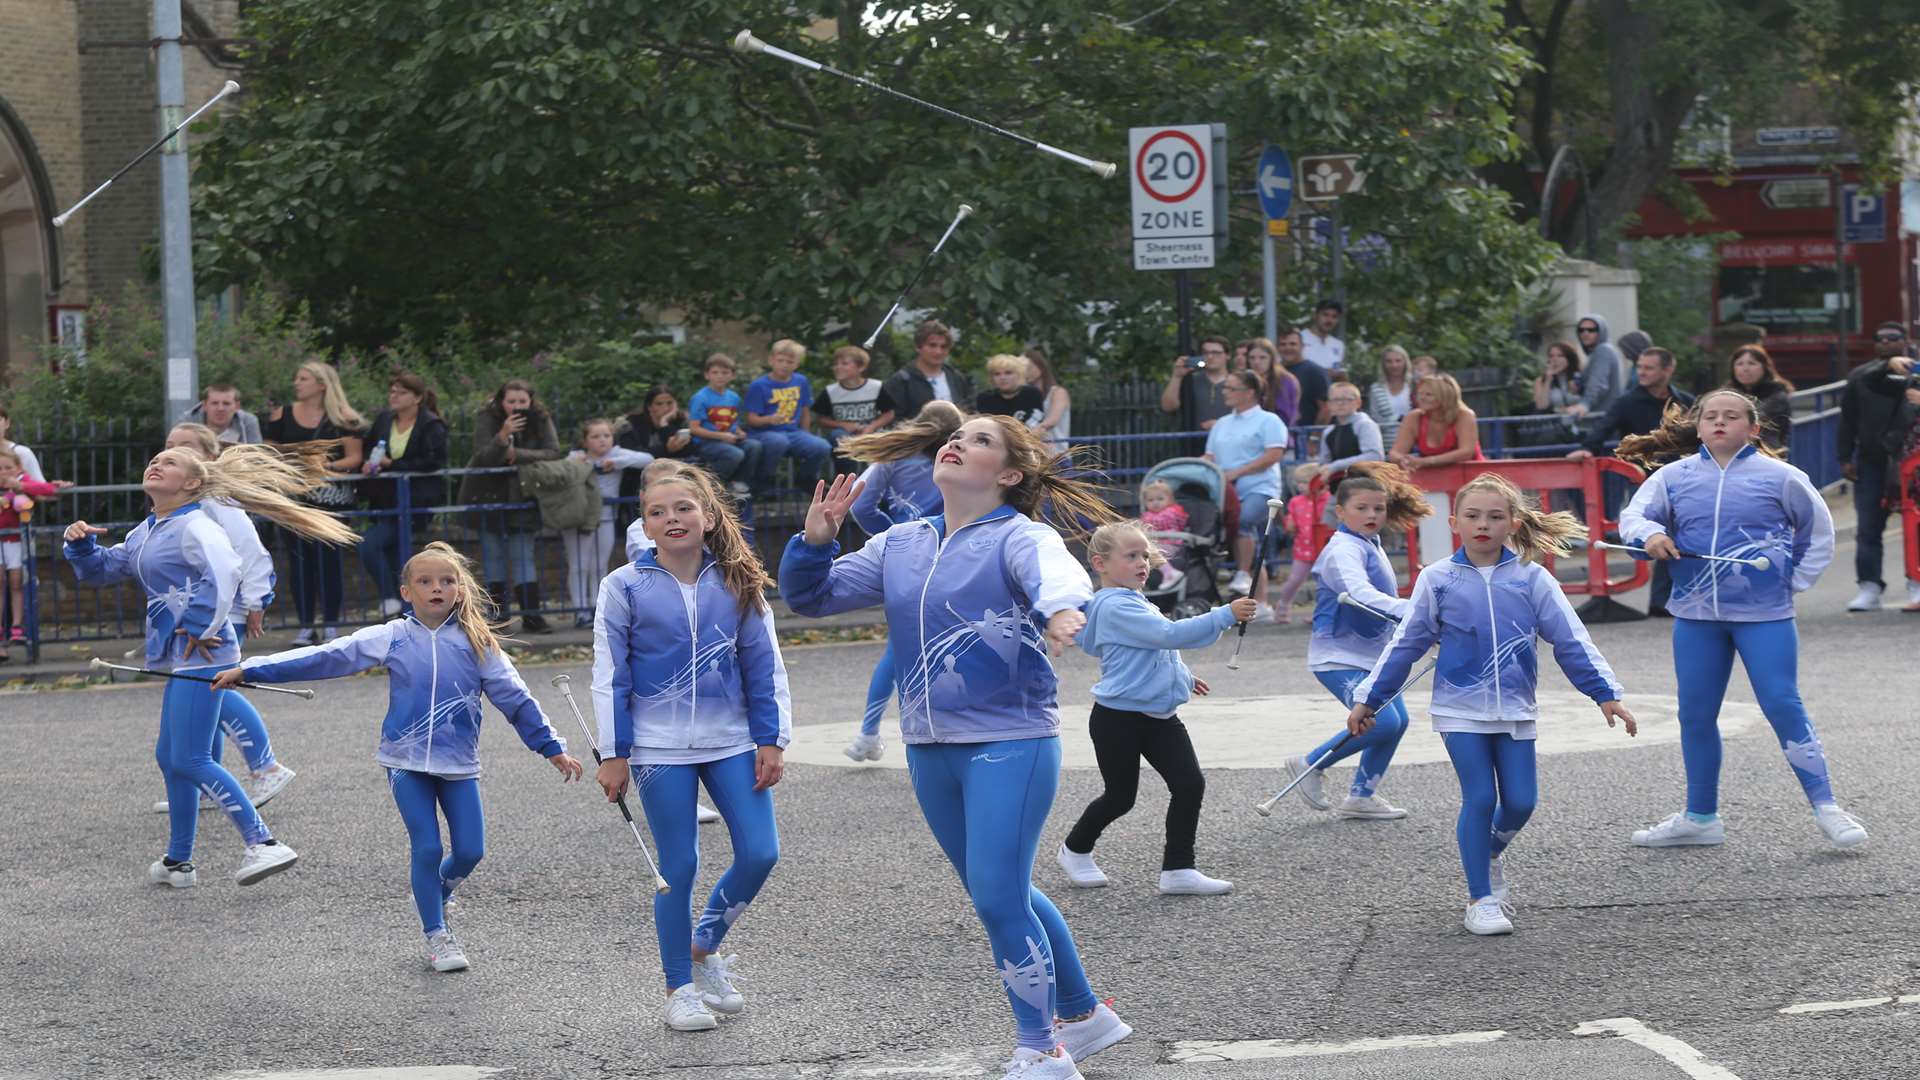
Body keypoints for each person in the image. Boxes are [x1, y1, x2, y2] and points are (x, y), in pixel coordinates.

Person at [780, 417, 1131, 1079]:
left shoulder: (1021, 535)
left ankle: (1042, 1050)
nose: (957, 442)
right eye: (956, 436)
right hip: (928, 744)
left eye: (978, 441)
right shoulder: (901, 544)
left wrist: (1060, 609)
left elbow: (1055, 573)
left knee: (998, 895)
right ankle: (1086, 1017)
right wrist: (814, 541)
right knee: (1001, 890)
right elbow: (812, 598)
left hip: (1010, 739)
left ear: (1008, 475)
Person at [216, 542, 584, 971]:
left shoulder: (478, 644)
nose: (437, 588)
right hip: (404, 760)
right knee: (426, 848)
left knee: (470, 851)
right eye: (425, 581)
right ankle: (437, 934)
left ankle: (433, 893)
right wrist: (252, 668)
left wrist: (551, 747)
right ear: (407, 592)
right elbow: (328, 655)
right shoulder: (392, 636)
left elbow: (515, 700)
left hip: (458, 763)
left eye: (447, 581)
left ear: (460, 590)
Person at [63, 442, 359, 889]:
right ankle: (179, 861)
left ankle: (263, 843)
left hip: (204, 654)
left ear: (194, 483)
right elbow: (107, 569)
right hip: (178, 657)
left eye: (169, 463)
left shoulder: (197, 525)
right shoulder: (148, 529)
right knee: (170, 757)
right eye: (154, 458)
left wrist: (200, 626)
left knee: (190, 757)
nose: (156, 463)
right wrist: (82, 546)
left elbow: (225, 571)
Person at [1350, 472, 1635, 936]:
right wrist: (1370, 698)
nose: (1483, 524)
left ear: (1514, 522)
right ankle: (1480, 898)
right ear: (1454, 521)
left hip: (1517, 708)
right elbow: (1406, 643)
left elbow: (1570, 639)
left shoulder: (1532, 578)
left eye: (1495, 516)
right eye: (1473, 515)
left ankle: (1488, 854)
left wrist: (1605, 695)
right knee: (1480, 797)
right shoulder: (1437, 579)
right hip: (1460, 708)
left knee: (1521, 803)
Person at [1614, 389, 1865, 848]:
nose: (1720, 423)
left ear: (1753, 428)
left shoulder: (1782, 477)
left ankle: (1827, 806)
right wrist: (1649, 534)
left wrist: (1792, 583)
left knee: (1782, 703)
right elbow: (1634, 517)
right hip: (1695, 614)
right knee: (1694, 714)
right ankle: (1701, 817)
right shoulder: (1672, 477)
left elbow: (1818, 531)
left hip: (1764, 616)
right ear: (1699, 426)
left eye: (1732, 416)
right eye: (1711, 416)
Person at [592, 466, 791, 1032]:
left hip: (730, 739)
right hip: (657, 748)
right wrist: (614, 751)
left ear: (707, 516)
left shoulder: (737, 579)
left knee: (761, 852)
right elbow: (611, 674)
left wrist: (771, 738)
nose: (671, 519)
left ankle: (704, 945)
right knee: (678, 865)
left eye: (683, 508)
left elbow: (764, 664)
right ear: (646, 525)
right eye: (658, 512)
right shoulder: (624, 585)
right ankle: (678, 987)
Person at [1056, 521, 1257, 896]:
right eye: (1131, 556)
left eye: (1145, 555)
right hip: (1118, 719)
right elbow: (1167, 635)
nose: (1142, 563)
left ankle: (1178, 869)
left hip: (1159, 717)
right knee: (1120, 797)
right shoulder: (1116, 605)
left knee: (1189, 784)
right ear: (1100, 563)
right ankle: (1074, 850)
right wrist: (1225, 614)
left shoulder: (1134, 600)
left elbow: (1155, 649)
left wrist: (1181, 676)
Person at [147, 423, 297, 815]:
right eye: (167, 447)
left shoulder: (218, 503)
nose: (170, 455)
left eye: (184, 448)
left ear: (207, 459)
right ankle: (201, 785)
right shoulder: (183, 504)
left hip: (217, 613)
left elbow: (251, 553)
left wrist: (256, 601)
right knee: (202, 706)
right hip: (191, 613)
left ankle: (266, 766)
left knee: (211, 688)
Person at [1280, 463, 1431, 808]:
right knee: (1381, 722)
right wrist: (1410, 610)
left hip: (1372, 657)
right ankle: (1310, 764)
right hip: (1338, 658)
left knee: (1397, 721)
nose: (1372, 514)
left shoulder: (1368, 543)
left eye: (1378, 508)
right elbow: (1359, 593)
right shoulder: (1343, 549)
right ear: (1340, 511)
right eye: (1361, 508)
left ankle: (1361, 796)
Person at [839, 401, 965, 762]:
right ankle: (949, 724)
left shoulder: (892, 458)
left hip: (910, 562)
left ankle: (869, 732)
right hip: (956, 554)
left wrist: (894, 537)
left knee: (899, 649)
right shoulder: (961, 458)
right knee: (956, 642)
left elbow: (860, 505)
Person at [1570, 347, 1696, 617]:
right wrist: (1588, 449)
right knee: (1659, 532)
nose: (1642, 372)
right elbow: (1604, 427)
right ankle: (1661, 600)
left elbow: (1700, 435)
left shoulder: (1684, 401)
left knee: (1683, 533)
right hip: (1645, 479)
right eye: (1640, 367)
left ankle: (1670, 598)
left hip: (1685, 478)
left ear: (1667, 370)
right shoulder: (1627, 402)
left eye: (1649, 368)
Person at [263, 360, 366, 644]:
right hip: (294, 498)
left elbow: (354, 458)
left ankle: (332, 623)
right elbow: (269, 452)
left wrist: (326, 471)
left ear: (322, 384)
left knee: (329, 561)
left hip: (332, 499)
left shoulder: (343, 417)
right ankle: (306, 625)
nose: (297, 383)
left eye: (303, 378)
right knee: (299, 563)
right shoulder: (281, 415)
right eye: (297, 378)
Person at [459, 379, 563, 634]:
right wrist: (503, 436)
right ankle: (497, 615)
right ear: (501, 401)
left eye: (522, 402)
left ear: (531, 401)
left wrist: (518, 454)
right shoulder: (488, 418)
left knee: (523, 555)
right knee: (493, 555)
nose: (517, 407)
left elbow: (553, 451)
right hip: (488, 495)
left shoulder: (540, 418)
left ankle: (531, 615)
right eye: (511, 402)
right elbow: (483, 456)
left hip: (523, 495)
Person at [1837, 322, 1915, 611]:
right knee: (1868, 527)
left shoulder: (1917, 370)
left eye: (1893, 338)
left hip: (1913, 459)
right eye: (1880, 339)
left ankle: (1916, 583)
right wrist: (1845, 457)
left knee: (1915, 525)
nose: (1886, 343)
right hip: (1872, 460)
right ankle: (1869, 586)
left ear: (1905, 340)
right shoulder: (1863, 376)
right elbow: (1847, 421)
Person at [358, 372, 449, 616]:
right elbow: (369, 447)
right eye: (392, 391)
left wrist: (392, 465)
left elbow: (432, 461)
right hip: (385, 499)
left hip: (415, 500)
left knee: (372, 545)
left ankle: (393, 600)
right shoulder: (385, 419)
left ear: (417, 398)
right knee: (392, 554)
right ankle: (403, 609)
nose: (394, 396)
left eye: (402, 392)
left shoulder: (430, 424)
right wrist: (369, 463)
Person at [1204, 369, 1290, 620]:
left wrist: (1236, 473)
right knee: (1249, 540)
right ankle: (1260, 603)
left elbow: (1273, 455)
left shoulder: (1269, 420)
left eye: (1230, 388)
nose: (1225, 392)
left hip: (1261, 488)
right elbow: (1209, 458)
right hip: (1227, 491)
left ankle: (1242, 573)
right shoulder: (1222, 423)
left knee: (1244, 522)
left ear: (1249, 392)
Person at [1389, 373, 1483, 568]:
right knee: (1438, 532)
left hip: (1471, 482)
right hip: (1436, 484)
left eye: (1428, 395)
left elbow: (1466, 452)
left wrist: (1426, 461)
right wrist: (1403, 460)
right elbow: (1395, 452)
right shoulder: (1414, 417)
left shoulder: (1465, 415)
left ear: (1444, 397)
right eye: (1419, 394)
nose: (1420, 398)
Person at [566, 418, 652, 627]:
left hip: (606, 516)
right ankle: (580, 610)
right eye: (595, 436)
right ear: (585, 441)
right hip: (580, 517)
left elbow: (648, 459)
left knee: (600, 564)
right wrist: (579, 465)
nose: (602, 440)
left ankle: (598, 608)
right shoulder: (575, 457)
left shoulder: (617, 455)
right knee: (579, 564)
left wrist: (617, 463)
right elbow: (562, 470)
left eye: (606, 435)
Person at [744, 339, 832, 494]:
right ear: (771, 360)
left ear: (797, 364)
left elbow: (805, 410)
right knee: (778, 441)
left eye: (790, 361)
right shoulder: (759, 386)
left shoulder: (801, 381)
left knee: (821, 446)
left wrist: (806, 433)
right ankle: (763, 479)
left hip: (792, 432)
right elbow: (751, 419)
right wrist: (769, 419)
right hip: (764, 433)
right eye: (780, 360)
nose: (784, 365)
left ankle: (805, 478)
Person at [0, 447, 59, 660]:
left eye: (8, 468)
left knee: (16, 582)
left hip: (16, 542)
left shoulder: (20, 481)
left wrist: (20, 487)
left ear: (17, 468)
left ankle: (16, 625)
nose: (4, 472)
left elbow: (46, 490)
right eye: (0, 469)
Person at [687, 353, 763, 495]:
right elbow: (694, 428)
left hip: (728, 439)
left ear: (732, 375)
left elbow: (732, 421)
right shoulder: (700, 398)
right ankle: (712, 486)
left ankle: (738, 482)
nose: (719, 376)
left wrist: (739, 432)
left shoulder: (733, 397)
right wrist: (721, 436)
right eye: (715, 372)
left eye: (724, 372)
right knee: (735, 454)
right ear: (707, 375)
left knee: (754, 446)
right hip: (706, 443)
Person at [1268, 464, 1331, 624]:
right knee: (1294, 580)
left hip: (1324, 550)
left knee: (1324, 584)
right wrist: (1289, 524)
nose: (1300, 486)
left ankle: (1320, 612)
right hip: (1303, 550)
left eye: (1304, 482)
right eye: (1298, 482)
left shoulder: (1329, 500)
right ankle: (1283, 604)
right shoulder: (1296, 502)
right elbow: (1291, 523)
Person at [811, 345, 896, 461]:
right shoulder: (830, 391)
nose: (838, 367)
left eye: (844, 364)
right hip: (844, 434)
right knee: (837, 437)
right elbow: (821, 418)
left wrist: (871, 427)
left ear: (861, 367)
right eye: (835, 364)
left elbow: (889, 413)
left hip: (872, 431)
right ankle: (846, 476)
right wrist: (842, 425)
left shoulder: (875, 387)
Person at [881, 321, 975, 420]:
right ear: (918, 347)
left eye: (943, 347)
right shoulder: (901, 381)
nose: (938, 351)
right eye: (932, 345)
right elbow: (893, 419)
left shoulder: (956, 378)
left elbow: (969, 411)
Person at [1158, 335, 1234, 433]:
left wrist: (1220, 425)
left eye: (1216, 353)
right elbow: (1168, 407)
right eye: (1205, 353)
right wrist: (1177, 376)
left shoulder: (1239, 381)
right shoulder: (1190, 381)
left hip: (1231, 440)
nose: (1210, 357)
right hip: (1193, 442)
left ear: (1228, 355)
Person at [1725, 345, 1794, 453]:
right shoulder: (1727, 394)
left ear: (1765, 367)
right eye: (1739, 364)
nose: (1745, 369)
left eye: (1752, 363)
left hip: (1768, 452)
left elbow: (1753, 421)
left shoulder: (1777, 395)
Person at [1312, 381, 1384, 479]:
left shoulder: (1365, 424)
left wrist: (1336, 466)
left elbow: (1374, 456)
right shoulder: (1328, 431)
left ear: (1358, 402)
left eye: (1347, 399)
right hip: (1338, 486)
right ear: (1329, 404)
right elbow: (1324, 462)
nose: (1340, 403)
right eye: (1335, 399)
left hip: (1365, 484)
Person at [1563, 315, 1624, 429]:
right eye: (1581, 330)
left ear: (1601, 331)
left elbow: (1598, 383)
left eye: (1591, 330)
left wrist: (1584, 404)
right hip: (1603, 421)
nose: (1585, 333)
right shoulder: (1598, 352)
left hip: (1604, 422)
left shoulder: (1603, 350)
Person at [1525, 340, 1584, 444]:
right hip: (1554, 432)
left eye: (1560, 356)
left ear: (1569, 358)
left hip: (1580, 428)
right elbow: (1541, 406)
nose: (1555, 360)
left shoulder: (1579, 377)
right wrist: (1548, 380)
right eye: (1551, 356)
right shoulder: (1541, 380)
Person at [1137, 479, 1189, 590]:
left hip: (1172, 544)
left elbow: (1178, 521)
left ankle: (1169, 573)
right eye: (1150, 500)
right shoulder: (1146, 516)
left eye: (1160, 499)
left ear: (1170, 500)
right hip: (1157, 544)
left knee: (1153, 552)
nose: (1155, 502)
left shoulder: (1173, 511)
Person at [1240, 337, 1301, 425]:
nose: (1256, 362)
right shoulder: (1244, 380)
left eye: (1262, 358)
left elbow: (1286, 416)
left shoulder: (1285, 380)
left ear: (1271, 359)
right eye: (1252, 358)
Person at [1277, 327, 1331, 427]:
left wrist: (1314, 438)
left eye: (1293, 344)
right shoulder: (1274, 372)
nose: (1287, 348)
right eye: (1283, 344)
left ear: (1302, 347)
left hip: (1304, 436)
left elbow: (1326, 408)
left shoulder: (1315, 372)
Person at [178, 384, 264, 446]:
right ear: (204, 405)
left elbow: (257, 456)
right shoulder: (188, 422)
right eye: (214, 403)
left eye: (226, 403)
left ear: (237, 407)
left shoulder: (248, 421)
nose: (220, 408)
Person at [975, 353, 1048, 426]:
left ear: (1019, 374)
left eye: (1008, 373)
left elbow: (1037, 421)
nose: (1002, 378)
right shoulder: (985, 398)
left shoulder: (1031, 394)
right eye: (997, 374)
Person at [1365, 345, 1416, 447]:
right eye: (1389, 361)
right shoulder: (1376, 388)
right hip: (1386, 443)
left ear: (1405, 362)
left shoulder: (1415, 386)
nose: (1394, 365)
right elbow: (1375, 417)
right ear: (1383, 364)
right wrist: (1398, 419)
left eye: (1398, 361)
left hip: (1414, 443)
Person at [1024, 349, 1073, 447]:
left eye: (1028, 367)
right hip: (1033, 456)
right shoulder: (1023, 396)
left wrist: (1027, 435)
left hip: (1056, 455)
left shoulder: (1057, 392)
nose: (1025, 371)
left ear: (1040, 367)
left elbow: (1051, 421)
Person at [1301, 299, 1346, 372]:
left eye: (1334, 316)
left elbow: (1337, 373)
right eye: (1325, 314)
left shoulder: (1339, 345)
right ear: (1315, 315)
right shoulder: (1299, 338)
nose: (1329, 320)